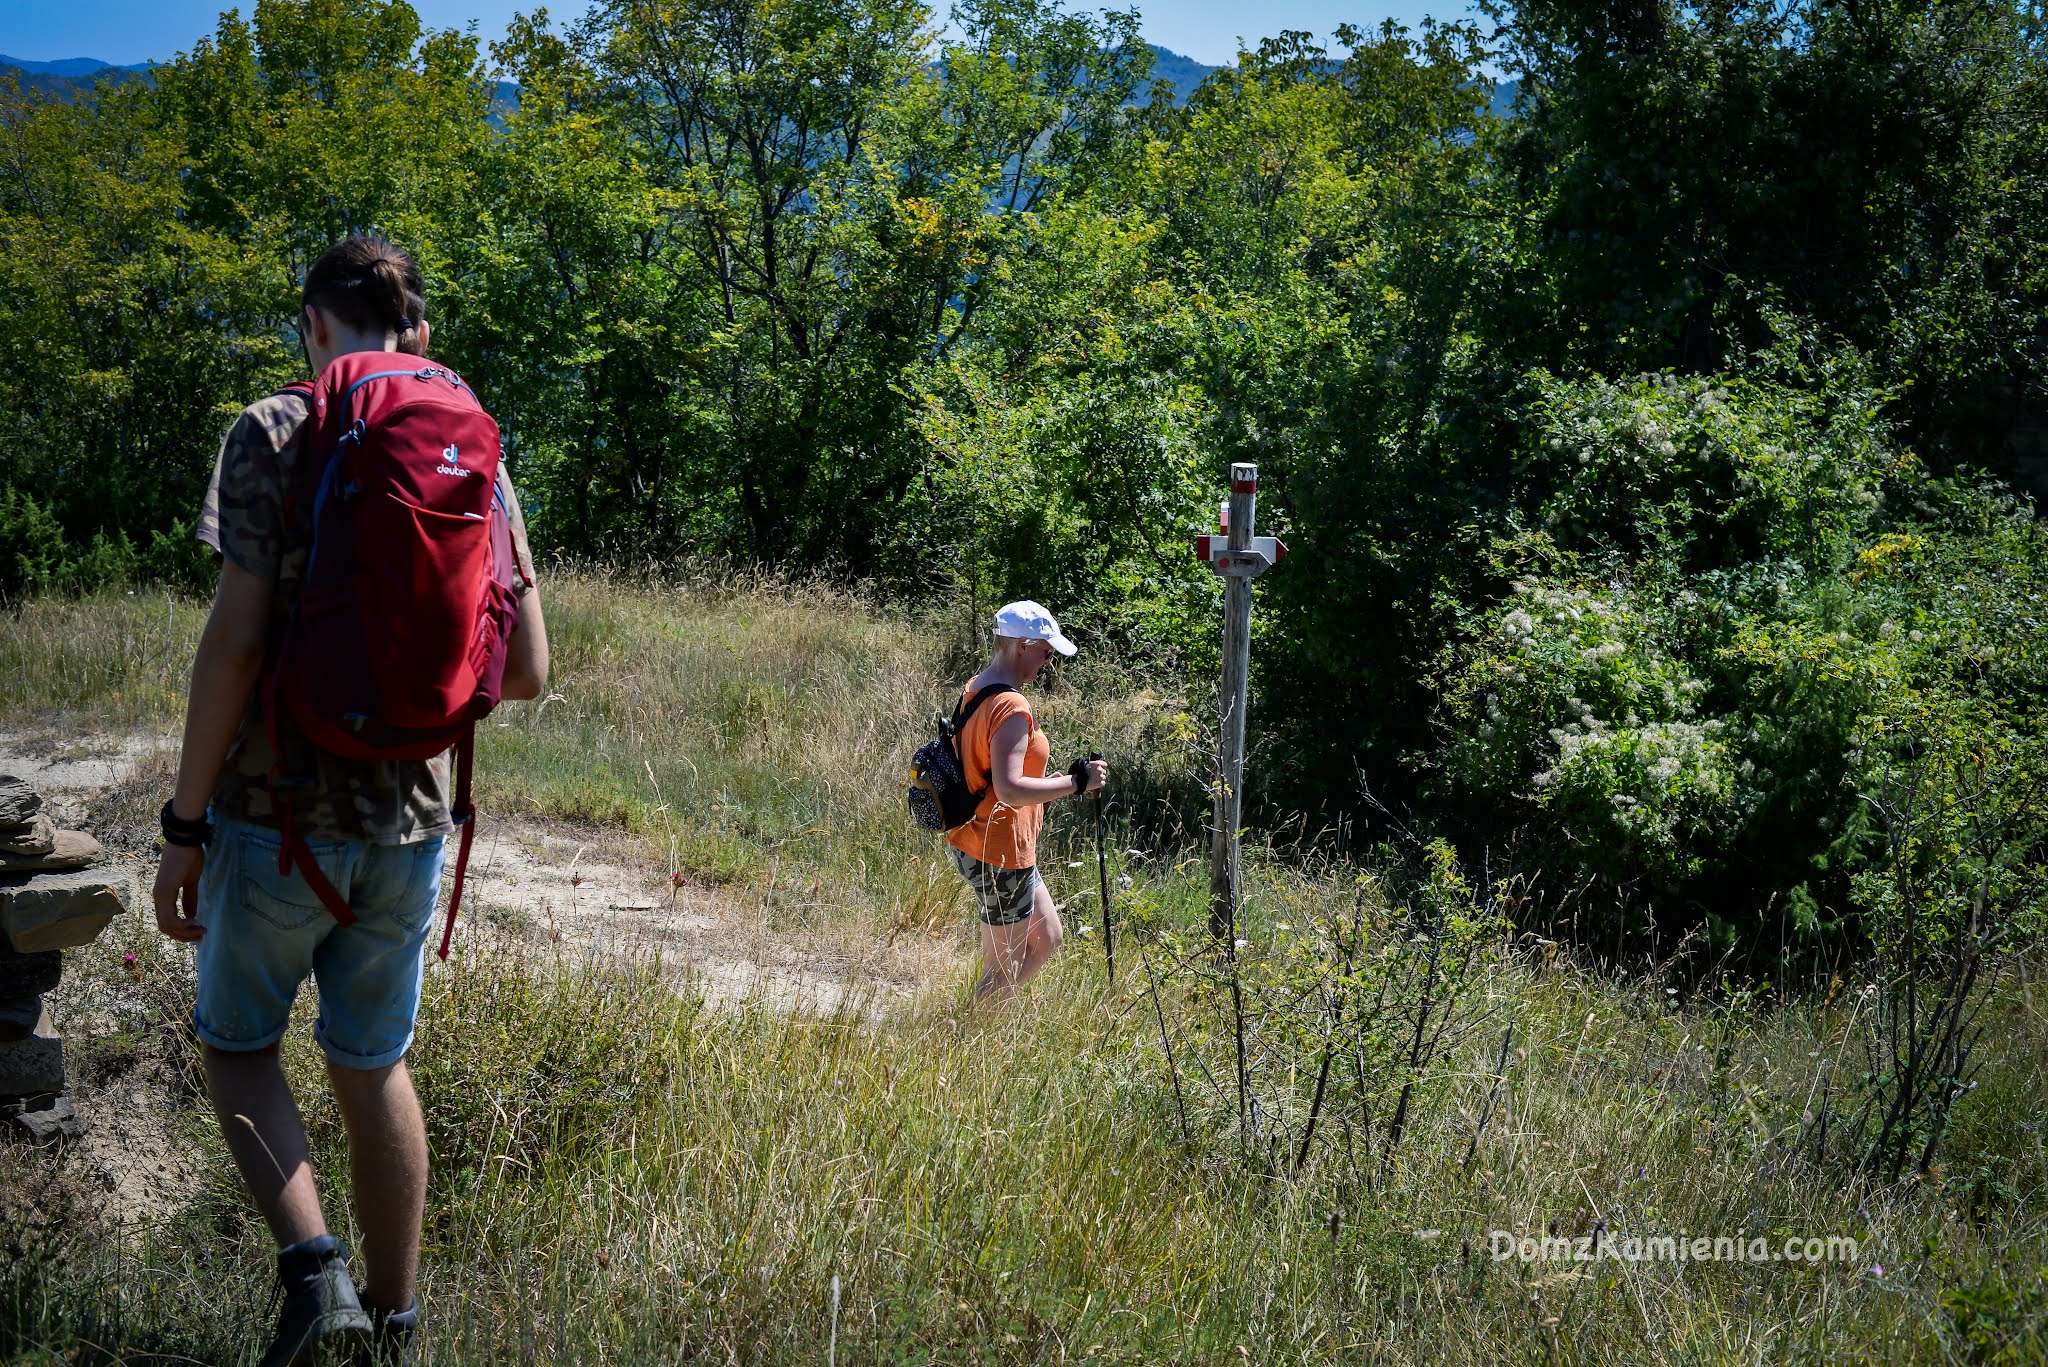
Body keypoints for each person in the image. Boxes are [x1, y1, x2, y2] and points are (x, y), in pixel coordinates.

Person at [151, 235, 549, 1367]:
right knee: (373, 1063)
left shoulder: (274, 429)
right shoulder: (476, 439)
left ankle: (314, 1275)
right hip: (415, 823)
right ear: (412, 329)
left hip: (273, 817)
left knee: (236, 1044)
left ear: (312, 322)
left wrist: (183, 825)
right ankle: (397, 1325)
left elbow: (232, 644)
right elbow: (523, 669)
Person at [947, 600, 1108, 999]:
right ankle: (973, 1040)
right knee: (1006, 965)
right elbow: (1009, 789)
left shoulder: (978, 686)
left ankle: (978, 1024)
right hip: (998, 848)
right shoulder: (1011, 705)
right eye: (1046, 652)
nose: (1048, 662)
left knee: (1049, 936)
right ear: (1022, 645)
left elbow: (993, 775)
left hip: (986, 838)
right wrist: (1075, 783)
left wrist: (1049, 785)